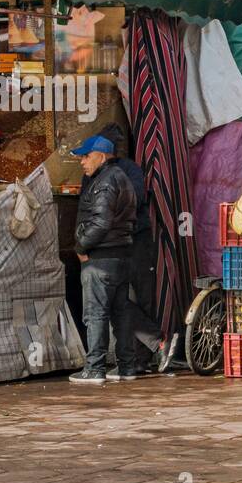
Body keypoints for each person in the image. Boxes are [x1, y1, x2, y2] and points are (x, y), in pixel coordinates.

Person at [99, 124, 174, 376]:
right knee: (117, 299)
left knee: (142, 296)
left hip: (136, 240)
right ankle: (154, 343)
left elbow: (136, 198)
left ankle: (142, 359)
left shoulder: (128, 169)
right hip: (112, 243)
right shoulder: (93, 173)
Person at [69, 133, 139, 385]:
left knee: (96, 314)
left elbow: (100, 222)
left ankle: (95, 368)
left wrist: (80, 246)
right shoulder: (121, 178)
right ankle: (126, 367)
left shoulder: (105, 181)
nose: (82, 162)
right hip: (122, 256)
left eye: (86, 156)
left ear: (101, 155)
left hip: (101, 259)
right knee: (121, 313)